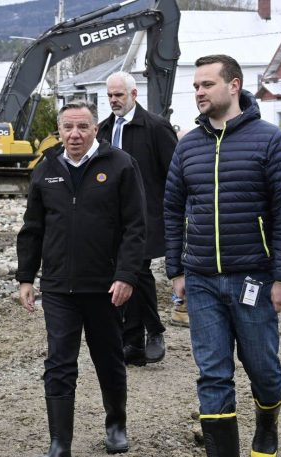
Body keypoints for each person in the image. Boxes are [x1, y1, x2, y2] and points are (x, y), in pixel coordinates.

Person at [164, 54, 281, 457]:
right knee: (212, 373)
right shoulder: (188, 145)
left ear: (234, 85)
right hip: (202, 278)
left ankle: (268, 415)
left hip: (254, 279)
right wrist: (176, 270)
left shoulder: (270, 141)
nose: (199, 92)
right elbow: (172, 208)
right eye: (196, 86)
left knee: (262, 367)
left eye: (207, 84)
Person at [16, 100, 146, 457]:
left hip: (105, 286)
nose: (74, 135)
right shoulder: (46, 170)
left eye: (82, 127)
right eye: (67, 128)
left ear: (95, 130)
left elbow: (135, 228)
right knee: (59, 362)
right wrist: (26, 277)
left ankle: (116, 424)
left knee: (108, 357)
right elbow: (33, 229)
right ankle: (60, 445)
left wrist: (126, 275)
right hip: (58, 288)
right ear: (59, 131)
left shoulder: (120, 165)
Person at [97, 71, 178, 365]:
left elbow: (174, 173)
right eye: (110, 96)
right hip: (111, 218)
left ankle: (154, 331)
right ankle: (132, 341)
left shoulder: (155, 127)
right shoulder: (104, 130)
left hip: (146, 216)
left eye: (119, 95)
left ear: (133, 95)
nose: (114, 100)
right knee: (122, 273)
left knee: (137, 270)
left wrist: (174, 213)